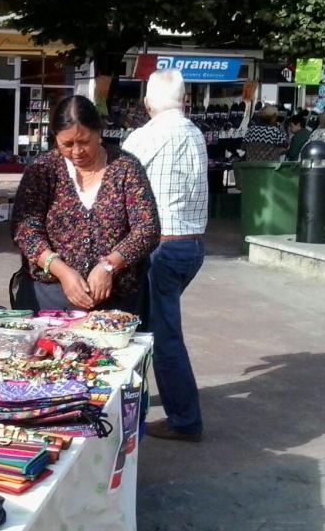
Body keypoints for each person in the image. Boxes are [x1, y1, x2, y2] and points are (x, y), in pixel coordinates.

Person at [11, 95, 158, 314]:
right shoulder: (42, 170)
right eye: (67, 144)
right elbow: (25, 230)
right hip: (50, 298)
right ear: (55, 138)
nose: (77, 152)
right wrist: (62, 271)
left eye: (84, 142)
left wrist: (109, 265)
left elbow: (147, 228)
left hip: (118, 301)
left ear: (98, 133)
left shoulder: (126, 168)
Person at [123, 70, 207, 443]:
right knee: (152, 328)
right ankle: (144, 409)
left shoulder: (146, 136)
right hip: (192, 247)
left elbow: (117, 183)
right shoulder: (194, 132)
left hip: (162, 248)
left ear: (146, 104)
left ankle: (184, 419)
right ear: (185, 99)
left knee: (159, 336)